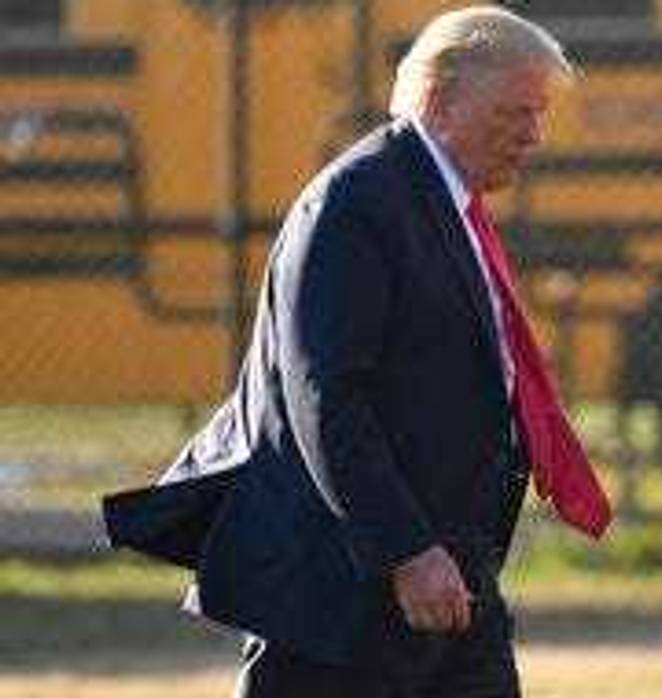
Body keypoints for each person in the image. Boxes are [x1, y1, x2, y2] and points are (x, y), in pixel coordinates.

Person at [102, 6, 610, 698]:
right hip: (344, 588)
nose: (534, 135)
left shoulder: (439, 202)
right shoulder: (359, 203)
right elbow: (327, 397)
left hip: (446, 568)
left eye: (537, 114)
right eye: (515, 113)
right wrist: (404, 550)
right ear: (441, 100)